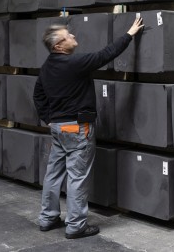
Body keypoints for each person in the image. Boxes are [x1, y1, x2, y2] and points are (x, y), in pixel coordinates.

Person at [33, 17, 144, 239]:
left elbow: (38, 95)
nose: (73, 36)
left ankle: (48, 218)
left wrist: (50, 120)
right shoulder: (74, 63)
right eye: (68, 35)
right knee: (77, 177)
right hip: (78, 129)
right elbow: (105, 55)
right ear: (58, 46)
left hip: (59, 130)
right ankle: (75, 226)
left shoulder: (47, 67)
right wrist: (129, 34)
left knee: (53, 175)